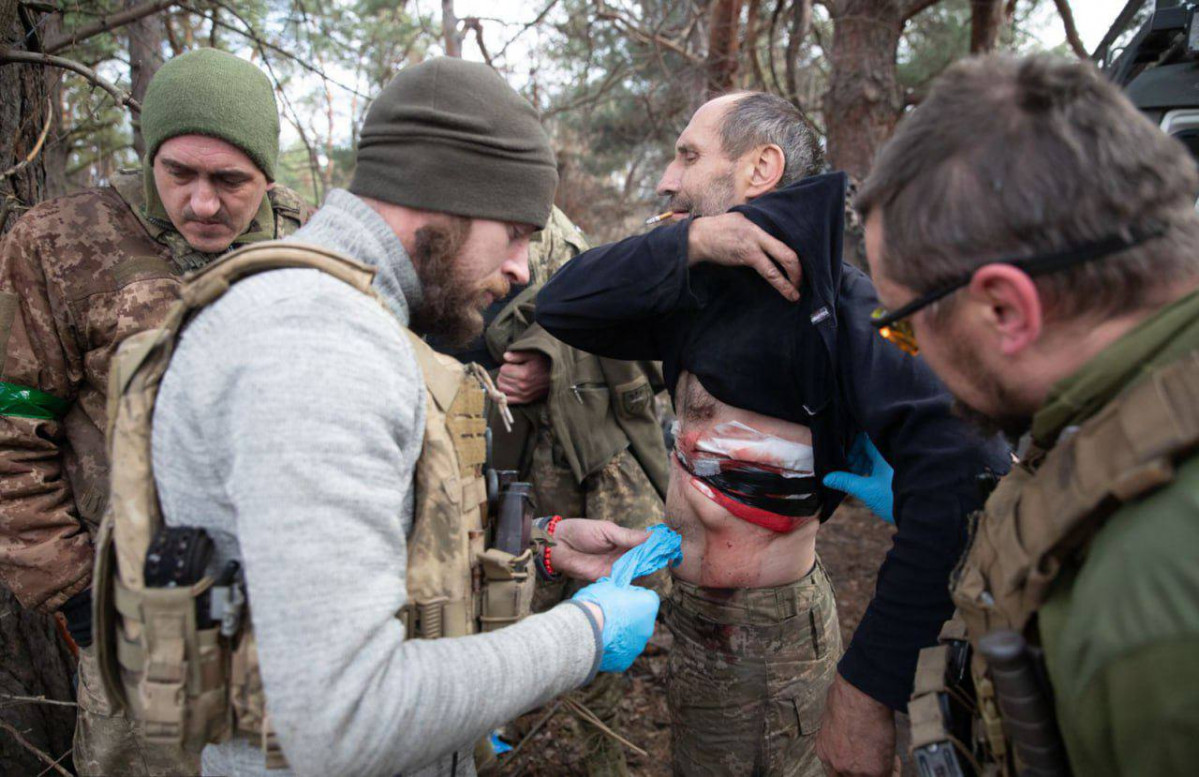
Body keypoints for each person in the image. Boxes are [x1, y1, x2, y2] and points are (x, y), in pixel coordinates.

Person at [104, 57, 662, 777]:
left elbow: (346, 551)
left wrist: (543, 545)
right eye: (516, 232)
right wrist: (582, 634)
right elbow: (343, 719)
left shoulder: (326, 309)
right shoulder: (318, 342)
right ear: (445, 201)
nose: (522, 267)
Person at [536, 91, 1009, 776]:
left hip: (773, 634)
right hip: (696, 622)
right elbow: (562, 303)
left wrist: (872, 680)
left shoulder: (849, 310)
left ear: (760, 167)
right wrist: (694, 239)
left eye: (689, 155)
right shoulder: (694, 295)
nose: (668, 179)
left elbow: (972, 467)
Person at [857, 54, 1199, 777]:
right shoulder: (1114, 415)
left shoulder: (1147, 604)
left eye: (904, 328)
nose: (908, 354)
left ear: (1003, 308)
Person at [0, 48, 307, 776]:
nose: (203, 203)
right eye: (178, 174)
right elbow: (11, 438)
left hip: (289, 612)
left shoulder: (309, 244)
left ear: (266, 173)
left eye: (229, 180)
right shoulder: (57, 244)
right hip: (136, 625)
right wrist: (79, 602)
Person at [432, 206, 669, 777]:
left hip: (578, 467)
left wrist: (550, 362)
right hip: (479, 462)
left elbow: (629, 337)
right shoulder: (431, 241)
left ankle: (595, 752)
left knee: (602, 593)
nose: (512, 266)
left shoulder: (567, 245)